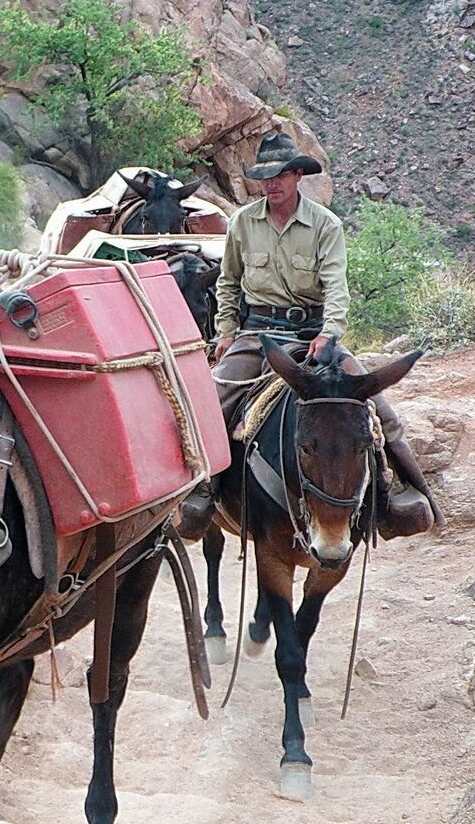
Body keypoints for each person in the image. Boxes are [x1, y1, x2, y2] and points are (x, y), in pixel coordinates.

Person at [178, 131, 445, 540]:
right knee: (210, 404)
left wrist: (329, 331)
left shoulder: (325, 224)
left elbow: (337, 285)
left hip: (315, 334)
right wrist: (227, 333)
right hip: (258, 335)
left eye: (280, 175)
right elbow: (229, 283)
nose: (272, 184)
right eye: (265, 177)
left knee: (380, 412)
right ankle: (203, 492)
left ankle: (402, 496)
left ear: (298, 175)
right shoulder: (242, 223)